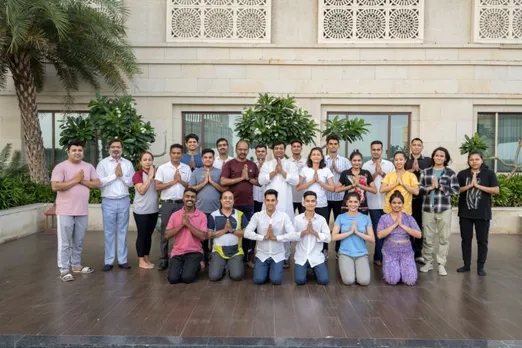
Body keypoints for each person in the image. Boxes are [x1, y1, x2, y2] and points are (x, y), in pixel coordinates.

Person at [51, 140, 100, 282]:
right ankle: (64, 269)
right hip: (65, 210)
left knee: (78, 240)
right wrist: (75, 180)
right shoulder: (60, 167)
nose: (77, 152)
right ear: (68, 152)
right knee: (65, 242)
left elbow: (97, 183)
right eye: (74, 150)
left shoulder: (88, 166)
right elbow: (55, 187)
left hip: (82, 210)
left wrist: (83, 181)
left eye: (80, 150)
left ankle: (76, 265)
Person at [418, 147, 460, 276]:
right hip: (427, 209)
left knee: (444, 238)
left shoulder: (450, 173)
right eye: (437, 155)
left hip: (444, 209)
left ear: (445, 158)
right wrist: (430, 187)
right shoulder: (425, 172)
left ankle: (441, 264)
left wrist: (441, 187)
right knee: (428, 238)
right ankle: (428, 262)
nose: (439, 158)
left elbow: (456, 190)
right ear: (433, 157)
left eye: (442, 156)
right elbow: (419, 188)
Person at [456, 151, 499, 276]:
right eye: (471, 160)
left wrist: (478, 186)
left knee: (482, 241)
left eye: (477, 159)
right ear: (468, 161)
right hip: (465, 213)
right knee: (466, 240)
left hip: (482, 213)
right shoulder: (462, 174)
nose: (474, 162)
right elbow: (456, 189)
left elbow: (496, 190)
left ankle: (481, 266)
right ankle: (466, 265)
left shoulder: (489, 174)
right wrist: (470, 186)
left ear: (481, 160)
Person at [259, 141, 299, 268]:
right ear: (272, 150)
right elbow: (261, 180)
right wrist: (275, 172)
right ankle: (267, 255)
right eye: (276, 148)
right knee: (267, 227)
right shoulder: (267, 164)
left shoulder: (290, 164)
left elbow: (296, 180)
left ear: (284, 150)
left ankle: (286, 256)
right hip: (269, 203)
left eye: (281, 148)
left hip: (285, 203)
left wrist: (282, 172)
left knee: (285, 229)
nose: (279, 151)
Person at [96, 138, 135, 272]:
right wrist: (114, 175)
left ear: (122, 149)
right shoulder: (103, 164)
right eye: (113, 147)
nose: (115, 149)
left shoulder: (128, 164)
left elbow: (131, 182)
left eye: (118, 147)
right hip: (108, 201)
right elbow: (99, 182)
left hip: (124, 200)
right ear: (109, 149)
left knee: (123, 231)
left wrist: (122, 176)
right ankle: (109, 261)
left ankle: (123, 260)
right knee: (109, 232)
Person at [243, 189, 297, 285]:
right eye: (268, 200)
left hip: (278, 255)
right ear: (264, 201)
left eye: (272, 200)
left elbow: (293, 235)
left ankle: (272, 270)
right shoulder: (257, 216)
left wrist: (276, 238)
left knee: (276, 281)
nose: (270, 203)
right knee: (258, 280)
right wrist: (263, 237)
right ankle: (266, 270)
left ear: (277, 202)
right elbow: (246, 233)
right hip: (262, 255)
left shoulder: (284, 216)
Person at [221, 140, 259, 265]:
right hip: (232, 204)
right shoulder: (230, 164)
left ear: (248, 150)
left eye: (245, 149)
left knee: (248, 231)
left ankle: (247, 258)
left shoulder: (252, 165)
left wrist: (248, 178)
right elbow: (223, 181)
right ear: (236, 149)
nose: (243, 151)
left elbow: (258, 182)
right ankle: (231, 257)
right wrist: (241, 178)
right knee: (232, 230)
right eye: (240, 149)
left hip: (248, 204)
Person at [155, 144, 192, 271]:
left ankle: (180, 258)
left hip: (182, 205)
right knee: (166, 232)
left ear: (182, 155)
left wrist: (180, 181)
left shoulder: (186, 168)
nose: (176, 155)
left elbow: (190, 186)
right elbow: (157, 187)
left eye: (178, 153)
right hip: (167, 204)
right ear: (170, 154)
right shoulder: (163, 168)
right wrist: (174, 181)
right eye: (174, 153)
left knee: (183, 231)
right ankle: (163, 259)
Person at [189, 148, 228, 265]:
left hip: (216, 209)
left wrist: (212, 182)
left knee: (215, 234)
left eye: (210, 157)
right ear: (202, 159)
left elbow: (224, 189)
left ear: (213, 159)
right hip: (200, 209)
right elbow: (191, 189)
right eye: (205, 157)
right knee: (202, 235)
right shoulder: (196, 172)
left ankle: (216, 257)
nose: (208, 159)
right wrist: (204, 183)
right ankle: (202, 257)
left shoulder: (219, 172)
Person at [377, 192, 421, 286]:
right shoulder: (384, 218)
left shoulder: (408, 218)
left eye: (399, 203)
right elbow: (380, 235)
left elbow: (418, 234)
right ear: (390, 203)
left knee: (410, 281)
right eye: (394, 203)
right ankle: (394, 270)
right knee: (392, 280)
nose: (397, 205)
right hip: (390, 253)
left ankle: (402, 271)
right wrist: (394, 225)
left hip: (406, 253)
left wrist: (402, 226)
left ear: (403, 204)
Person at [362, 141, 395, 267]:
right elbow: (363, 183)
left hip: (387, 203)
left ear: (382, 150)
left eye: (378, 149)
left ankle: (382, 256)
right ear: (371, 150)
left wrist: (382, 173)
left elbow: (392, 180)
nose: (376, 151)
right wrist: (375, 173)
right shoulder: (366, 165)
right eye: (373, 149)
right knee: (378, 230)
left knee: (387, 231)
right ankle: (378, 257)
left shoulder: (389, 164)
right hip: (372, 203)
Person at [165, 188, 208, 284]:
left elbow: (203, 237)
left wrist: (188, 224)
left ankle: (197, 264)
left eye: (193, 197)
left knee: (187, 278)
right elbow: (167, 235)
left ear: (196, 200)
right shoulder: (175, 215)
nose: (190, 199)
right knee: (173, 279)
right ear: (183, 198)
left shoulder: (202, 216)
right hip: (177, 253)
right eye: (187, 196)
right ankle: (185, 266)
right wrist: (182, 224)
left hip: (195, 252)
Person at [331, 192, 375, 286]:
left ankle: (356, 270)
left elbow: (372, 239)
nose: (353, 204)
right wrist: (350, 232)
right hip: (345, 253)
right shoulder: (340, 217)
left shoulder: (365, 218)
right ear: (346, 203)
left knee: (364, 281)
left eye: (355, 202)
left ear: (359, 203)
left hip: (361, 254)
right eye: (350, 201)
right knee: (349, 281)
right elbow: (334, 237)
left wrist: (357, 232)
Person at [207, 191, 249, 281]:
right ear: (221, 201)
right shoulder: (213, 215)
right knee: (214, 277)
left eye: (230, 198)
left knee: (237, 276)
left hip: (236, 251)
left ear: (233, 201)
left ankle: (230, 266)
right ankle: (223, 268)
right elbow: (208, 235)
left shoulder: (240, 214)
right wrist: (225, 230)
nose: (228, 200)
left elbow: (246, 233)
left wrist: (232, 230)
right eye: (225, 198)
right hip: (218, 251)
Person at [292, 191, 331, 285]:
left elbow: (328, 238)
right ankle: (306, 268)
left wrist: (315, 233)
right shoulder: (297, 219)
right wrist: (303, 233)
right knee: (300, 280)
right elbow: (291, 237)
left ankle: (314, 268)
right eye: (308, 201)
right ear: (303, 203)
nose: (310, 203)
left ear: (316, 203)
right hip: (301, 256)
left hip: (316, 256)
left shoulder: (321, 219)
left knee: (324, 281)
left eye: (313, 201)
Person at [405, 138, 433, 264]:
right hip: (407, 199)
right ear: (410, 146)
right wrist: (410, 171)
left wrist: (419, 171)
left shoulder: (427, 161)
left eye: (419, 145)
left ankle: (418, 252)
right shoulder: (405, 160)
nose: (416, 147)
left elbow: (431, 177)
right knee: (408, 225)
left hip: (422, 199)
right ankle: (408, 251)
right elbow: (399, 174)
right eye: (414, 145)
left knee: (420, 225)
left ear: (422, 147)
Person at [132, 151, 159, 269]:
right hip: (141, 211)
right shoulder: (137, 174)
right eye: (145, 160)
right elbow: (141, 191)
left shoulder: (157, 174)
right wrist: (149, 177)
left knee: (149, 235)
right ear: (140, 162)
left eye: (149, 159)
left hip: (153, 209)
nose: (148, 162)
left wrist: (153, 175)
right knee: (142, 235)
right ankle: (141, 260)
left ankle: (146, 258)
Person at [296, 147, 334, 231]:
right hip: (306, 204)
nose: (316, 156)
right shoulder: (305, 170)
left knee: (322, 231)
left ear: (321, 157)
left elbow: (332, 188)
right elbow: (298, 188)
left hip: (321, 204)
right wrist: (312, 181)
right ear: (310, 157)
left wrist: (319, 181)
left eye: (318, 155)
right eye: (313, 154)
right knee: (305, 229)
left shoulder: (326, 170)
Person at [325, 135, 351, 254]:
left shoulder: (345, 161)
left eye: (335, 144)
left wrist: (339, 172)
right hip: (324, 197)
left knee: (340, 225)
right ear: (327, 145)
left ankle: (339, 250)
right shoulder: (322, 160)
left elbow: (351, 178)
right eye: (331, 144)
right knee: (324, 225)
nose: (333, 146)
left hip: (341, 198)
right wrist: (329, 171)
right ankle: (323, 250)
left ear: (338, 145)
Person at [336, 149, 377, 215]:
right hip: (347, 206)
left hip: (362, 206)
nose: (357, 162)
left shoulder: (366, 173)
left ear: (362, 161)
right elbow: (337, 189)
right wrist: (352, 185)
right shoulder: (345, 173)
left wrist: (359, 185)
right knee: (347, 225)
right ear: (350, 161)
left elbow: (374, 190)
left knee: (361, 225)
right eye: (354, 160)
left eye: (359, 160)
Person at [380, 151, 419, 216]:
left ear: (405, 160)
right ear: (394, 161)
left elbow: (416, 192)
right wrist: (395, 184)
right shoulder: (389, 175)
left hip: (405, 212)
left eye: (401, 159)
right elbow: (381, 190)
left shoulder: (411, 176)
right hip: (389, 211)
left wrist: (403, 184)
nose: (398, 162)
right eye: (396, 160)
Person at [251, 144, 268, 268]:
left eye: (263, 151)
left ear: (266, 152)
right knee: (254, 227)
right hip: (252, 200)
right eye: (258, 151)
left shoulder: (269, 165)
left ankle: (265, 251)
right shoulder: (251, 165)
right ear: (255, 152)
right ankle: (252, 252)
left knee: (265, 226)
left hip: (266, 201)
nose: (261, 153)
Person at [290, 139, 307, 215]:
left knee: (303, 221)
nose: (296, 148)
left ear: (301, 148)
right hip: (290, 197)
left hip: (303, 197)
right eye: (294, 146)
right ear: (291, 149)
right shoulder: (287, 162)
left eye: (298, 146)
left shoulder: (307, 162)